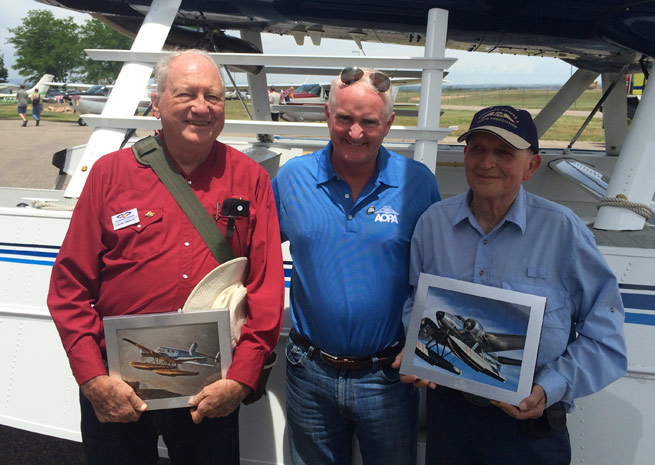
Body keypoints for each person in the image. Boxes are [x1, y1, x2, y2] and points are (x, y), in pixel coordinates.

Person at [47, 49, 284, 465]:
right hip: (119, 380)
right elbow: (69, 288)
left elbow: (265, 292)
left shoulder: (251, 179)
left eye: (212, 96)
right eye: (185, 94)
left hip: (211, 380)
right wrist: (93, 378)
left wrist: (242, 380)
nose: (201, 107)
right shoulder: (110, 174)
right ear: (157, 104)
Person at [402, 105, 627, 465]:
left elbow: (606, 334)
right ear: (465, 155)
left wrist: (549, 387)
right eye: (477, 149)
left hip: (528, 427)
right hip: (450, 420)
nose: (486, 162)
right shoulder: (433, 224)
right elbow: (414, 300)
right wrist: (418, 349)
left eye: (504, 152)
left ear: (531, 167)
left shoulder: (564, 231)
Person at [272, 66, 441, 465]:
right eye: (344, 118)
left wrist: (428, 345)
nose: (355, 133)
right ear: (328, 115)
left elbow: (437, 272)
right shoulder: (292, 178)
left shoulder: (417, 182)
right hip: (309, 370)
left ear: (389, 123)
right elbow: (256, 258)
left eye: (369, 122)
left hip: (385, 376)